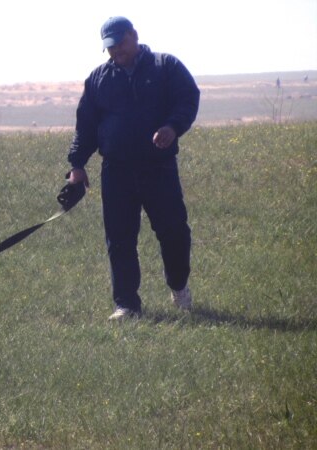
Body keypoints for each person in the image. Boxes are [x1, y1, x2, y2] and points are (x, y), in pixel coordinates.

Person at [65, 16, 200, 320]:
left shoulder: (166, 67)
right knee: (120, 240)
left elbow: (188, 99)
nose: (116, 52)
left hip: (159, 168)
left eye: (120, 44)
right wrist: (77, 164)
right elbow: (85, 126)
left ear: (134, 36)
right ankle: (126, 305)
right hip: (117, 172)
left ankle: (178, 286)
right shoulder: (99, 79)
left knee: (174, 232)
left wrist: (173, 127)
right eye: (110, 47)